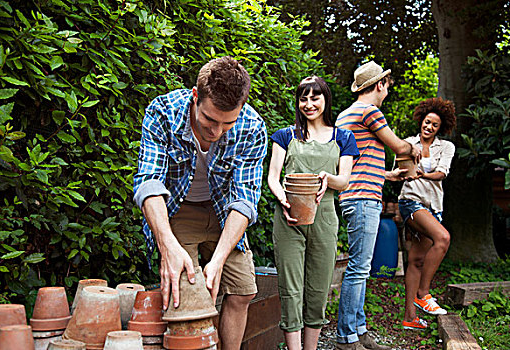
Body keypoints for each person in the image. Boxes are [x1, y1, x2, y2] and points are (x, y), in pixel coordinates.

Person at [133, 56, 267, 349]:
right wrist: (166, 244)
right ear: (196, 97)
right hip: (179, 210)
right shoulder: (163, 112)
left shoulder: (253, 128)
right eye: (209, 119)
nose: (216, 131)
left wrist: (218, 260)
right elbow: (148, 182)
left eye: (227, 123)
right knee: (186, 296)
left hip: (224, 213)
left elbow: (244, 200)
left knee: (243, 290)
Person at [268, 76, 360, 350]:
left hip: (325, 218)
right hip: (288, 219)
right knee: (291, 289)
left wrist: (326, 179)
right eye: (303, 98)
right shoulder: (286, 135)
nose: (309, 104)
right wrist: (283, 198)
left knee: (318, 290)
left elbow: (344, 180)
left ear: (325, 99)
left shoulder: (343, 137)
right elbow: (273, 177)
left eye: (315, 97)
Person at [335, 61, 421, 350]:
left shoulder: (346, 115)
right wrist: (414, 149)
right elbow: (398, 146)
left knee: (361, 266)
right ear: (379, 85)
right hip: (363, 198)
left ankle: (359, 331)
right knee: (359, 268)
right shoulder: (370, 111)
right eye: (386, 84)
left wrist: (388, 175)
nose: (387, 89)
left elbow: (353, 163)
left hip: (354, 194)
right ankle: (347, 338)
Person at [399, 98, 456, 330]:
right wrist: (409, 171)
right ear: (421, 121)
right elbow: (403, 170)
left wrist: (421, 173)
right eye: (426, 122)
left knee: (416, 260)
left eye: (434, 125)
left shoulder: (446, 147)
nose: (429, 127)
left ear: (439, 129)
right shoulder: (407, 143)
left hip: (433, 206)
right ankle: (423, 293)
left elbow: (442, 173)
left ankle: (409, 317)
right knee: (443, 238)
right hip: (411, 202)